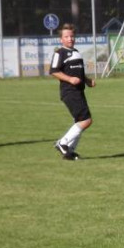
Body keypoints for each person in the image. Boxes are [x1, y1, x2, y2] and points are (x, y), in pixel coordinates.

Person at [49, 23, 95, 160]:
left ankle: (69, 152)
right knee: (86, 121)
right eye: (66, 37)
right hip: (69, 92)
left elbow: (78, 73)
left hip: (79, 91)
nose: (70, 39)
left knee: (79, 121)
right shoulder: (60, 53)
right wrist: (69, 79)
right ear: (61, 39)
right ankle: (62, 143)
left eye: (72, 36)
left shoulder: (76, 52)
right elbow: (53, 71)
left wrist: (86, 80)